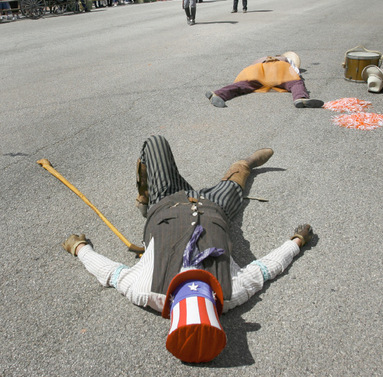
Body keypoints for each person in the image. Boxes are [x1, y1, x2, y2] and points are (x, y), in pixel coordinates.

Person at [62, 135, 313, 363]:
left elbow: (110, 273)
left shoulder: (144, 290)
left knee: (156, 143)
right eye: (202, 286)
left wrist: (79, 248)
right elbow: (266, 268)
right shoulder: (230, 293)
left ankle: (146, 193)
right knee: (239, 179)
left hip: (166, 201)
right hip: (216, 208)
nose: (195, 278)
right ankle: (244, 163)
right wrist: (296, 242)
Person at [205, 52, 324, 108]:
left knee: (243, 85)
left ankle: (219, 93)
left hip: (257, 70)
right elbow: (295, 71)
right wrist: (296, 77)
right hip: (279, 70)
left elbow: (249, 68)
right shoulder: (284, 59)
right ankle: (300, 98)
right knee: (295, 83)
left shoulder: (260, 59)